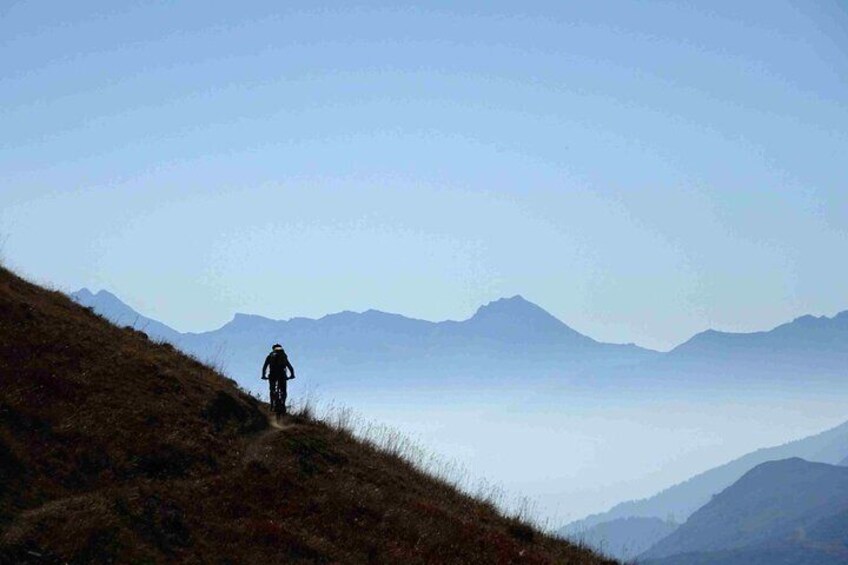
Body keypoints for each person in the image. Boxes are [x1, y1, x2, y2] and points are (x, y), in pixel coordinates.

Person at [261, 343, 295, 415]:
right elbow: (290, 367)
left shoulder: (270, 356)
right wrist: (292, 375)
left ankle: (272, 405)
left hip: (273, 375)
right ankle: (283, 403)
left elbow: (264, 367)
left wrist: (263, 375)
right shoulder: (284, 356)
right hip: (282, 375)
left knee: (272, 390)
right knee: (283, 390)